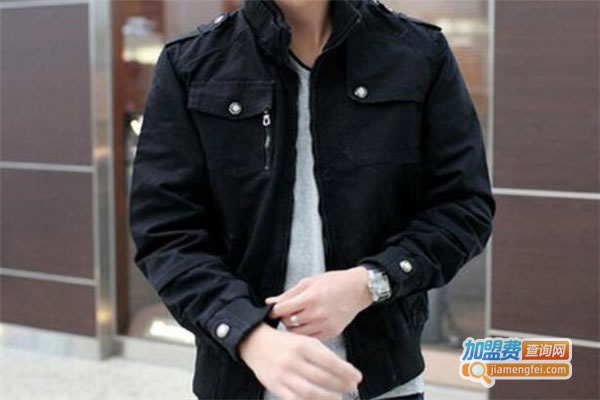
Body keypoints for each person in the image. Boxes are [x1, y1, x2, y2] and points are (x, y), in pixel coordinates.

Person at [128, 0, 496, 399]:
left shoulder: (418, 53)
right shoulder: (192, 63)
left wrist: (370, 282)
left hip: (383, 380)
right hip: (241, 379)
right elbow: (166, 233)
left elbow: (463, 207)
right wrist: (248, 334)